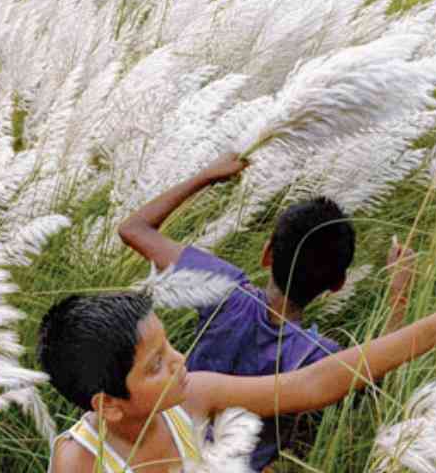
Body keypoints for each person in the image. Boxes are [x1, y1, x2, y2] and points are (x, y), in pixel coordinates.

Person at [116, 153, 416, 470]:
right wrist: (399, 294)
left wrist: (206, 176)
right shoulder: (317, 355)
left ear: (267, 254)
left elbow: (134, 229)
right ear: (338, 284)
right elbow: (377, 382)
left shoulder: (225, 290)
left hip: (155, 457)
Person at [38, 290, 436, 472]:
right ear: (109, 405)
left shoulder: (193, 398)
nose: (180, 361)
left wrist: (432, 330)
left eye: (169, 348)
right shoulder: (79, 460)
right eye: (156, 365)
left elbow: (311, 385)